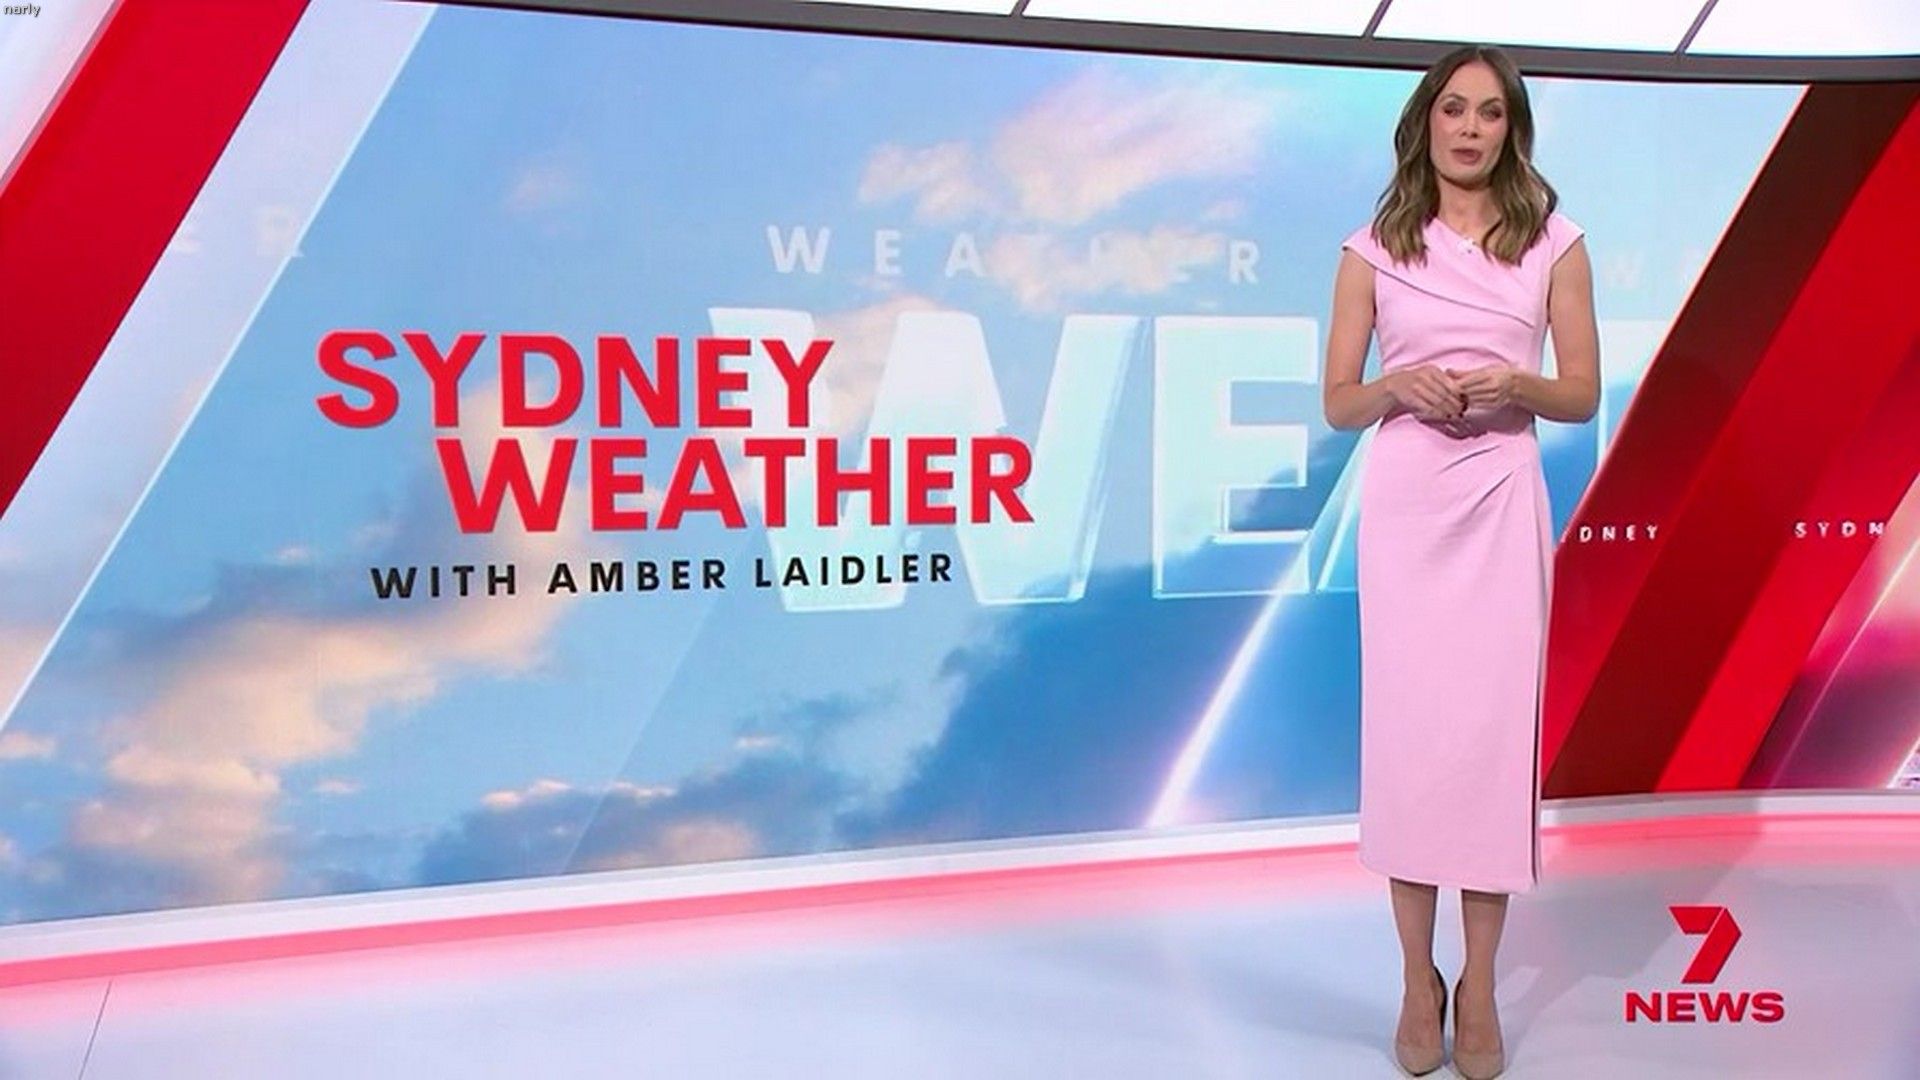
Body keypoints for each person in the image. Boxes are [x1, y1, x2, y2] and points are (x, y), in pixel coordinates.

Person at [1322, 44, 1600, 1079]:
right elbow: (1339, 402)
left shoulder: (1555, 244)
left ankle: (1478, 983)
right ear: (1425, 122)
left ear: (1511, 128)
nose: (1470, 128)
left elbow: (1581, 393)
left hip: (1499, 503)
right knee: (1409, 749)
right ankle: (1416, 978)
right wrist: (1400, 387)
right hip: (1408, 511)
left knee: (1486, 749)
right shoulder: (1372, 249)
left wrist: (1512, 383)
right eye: (1454, 109)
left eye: (1489, 112)